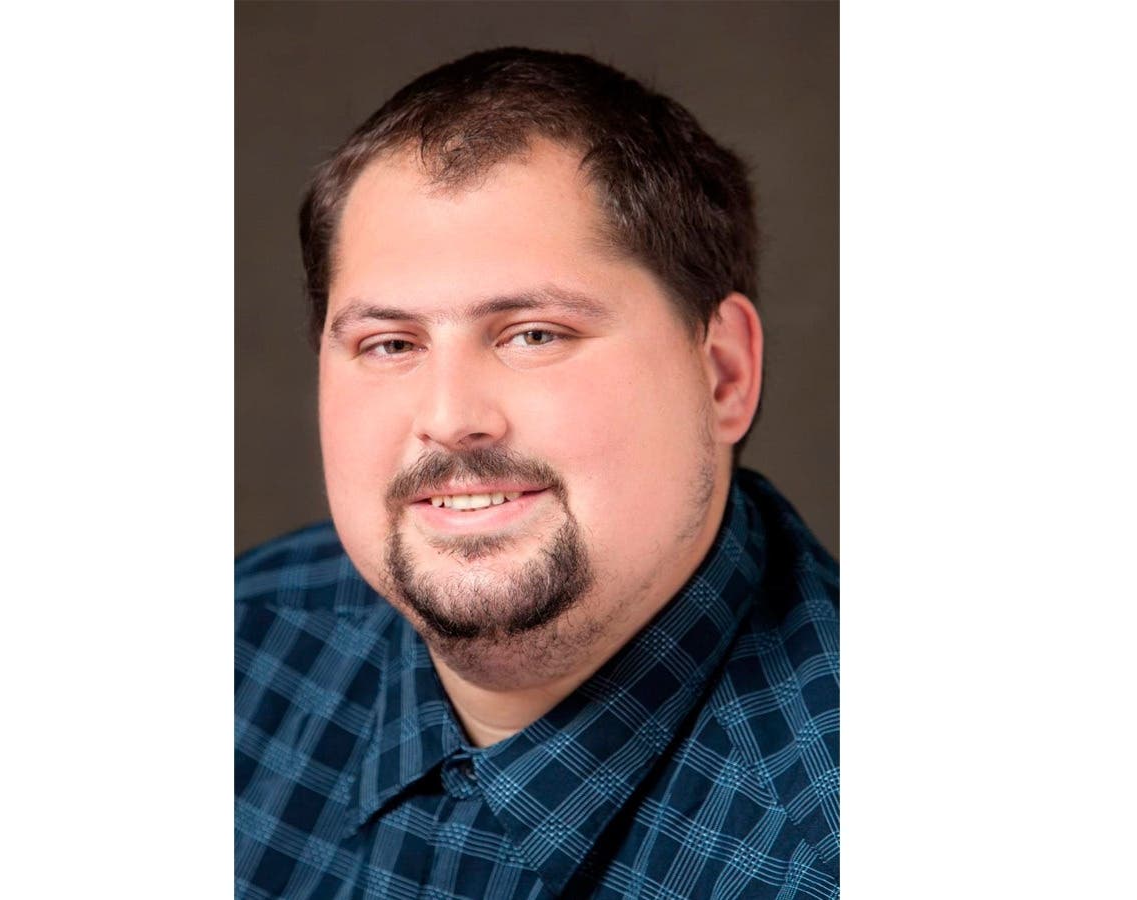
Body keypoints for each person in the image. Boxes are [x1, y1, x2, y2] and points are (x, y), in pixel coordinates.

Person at [236, 47, 838, 899]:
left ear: (723, 374)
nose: (450, 416)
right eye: (391, 344)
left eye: (534, 334)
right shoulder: (240, 647)